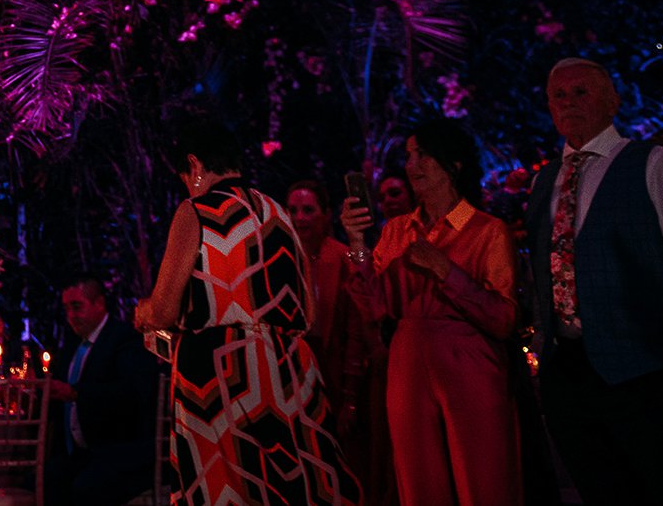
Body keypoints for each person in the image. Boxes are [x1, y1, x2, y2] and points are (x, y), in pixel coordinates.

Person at [524, 58, 663, 506]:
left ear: (612, 101)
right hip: (569, 376)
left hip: (647, 373)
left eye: (581, 92)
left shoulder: (654, 165)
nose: (569, 103)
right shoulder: (546, 180)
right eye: (559, 96)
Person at [133, 120, 355, 506]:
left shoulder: (196, 211)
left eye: (184, 176)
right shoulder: (279, 212)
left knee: (226, 488)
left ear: (195, 164)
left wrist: (144, 313)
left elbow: (165, 309)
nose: (186, 185)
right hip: (287, 371)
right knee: (284, 488)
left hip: (219, 376)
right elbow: (310, 312)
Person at [340, 120, 520, 506]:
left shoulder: (487, 231)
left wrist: (444, 269)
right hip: (408, 359)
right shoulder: (398, 230)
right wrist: (356, 243)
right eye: (408, 155)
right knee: (418, 482)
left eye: (422, 154)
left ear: (452, 164)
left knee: (483, 479)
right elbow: (373, 304)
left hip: (470, 361)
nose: (411, 164)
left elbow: (503, 318)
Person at [44, 277, 157, 506]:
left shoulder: (124, 339)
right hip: (83, 454)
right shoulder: (72, 345)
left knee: (86, 486)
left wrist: (76, 393)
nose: (71, 316)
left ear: (99, 304)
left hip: (121, 451)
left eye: (77, 306)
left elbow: (133, 393)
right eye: (67, 308)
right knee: (44, 478)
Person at [287, 181, 373, 445]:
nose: (299, 218)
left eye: (308, 210)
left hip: (333, 370)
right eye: (293, 210)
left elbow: (355, 331)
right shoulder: (280, 258)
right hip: (292, 373)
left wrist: (350, 398)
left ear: (326, 215)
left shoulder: (343, 258)